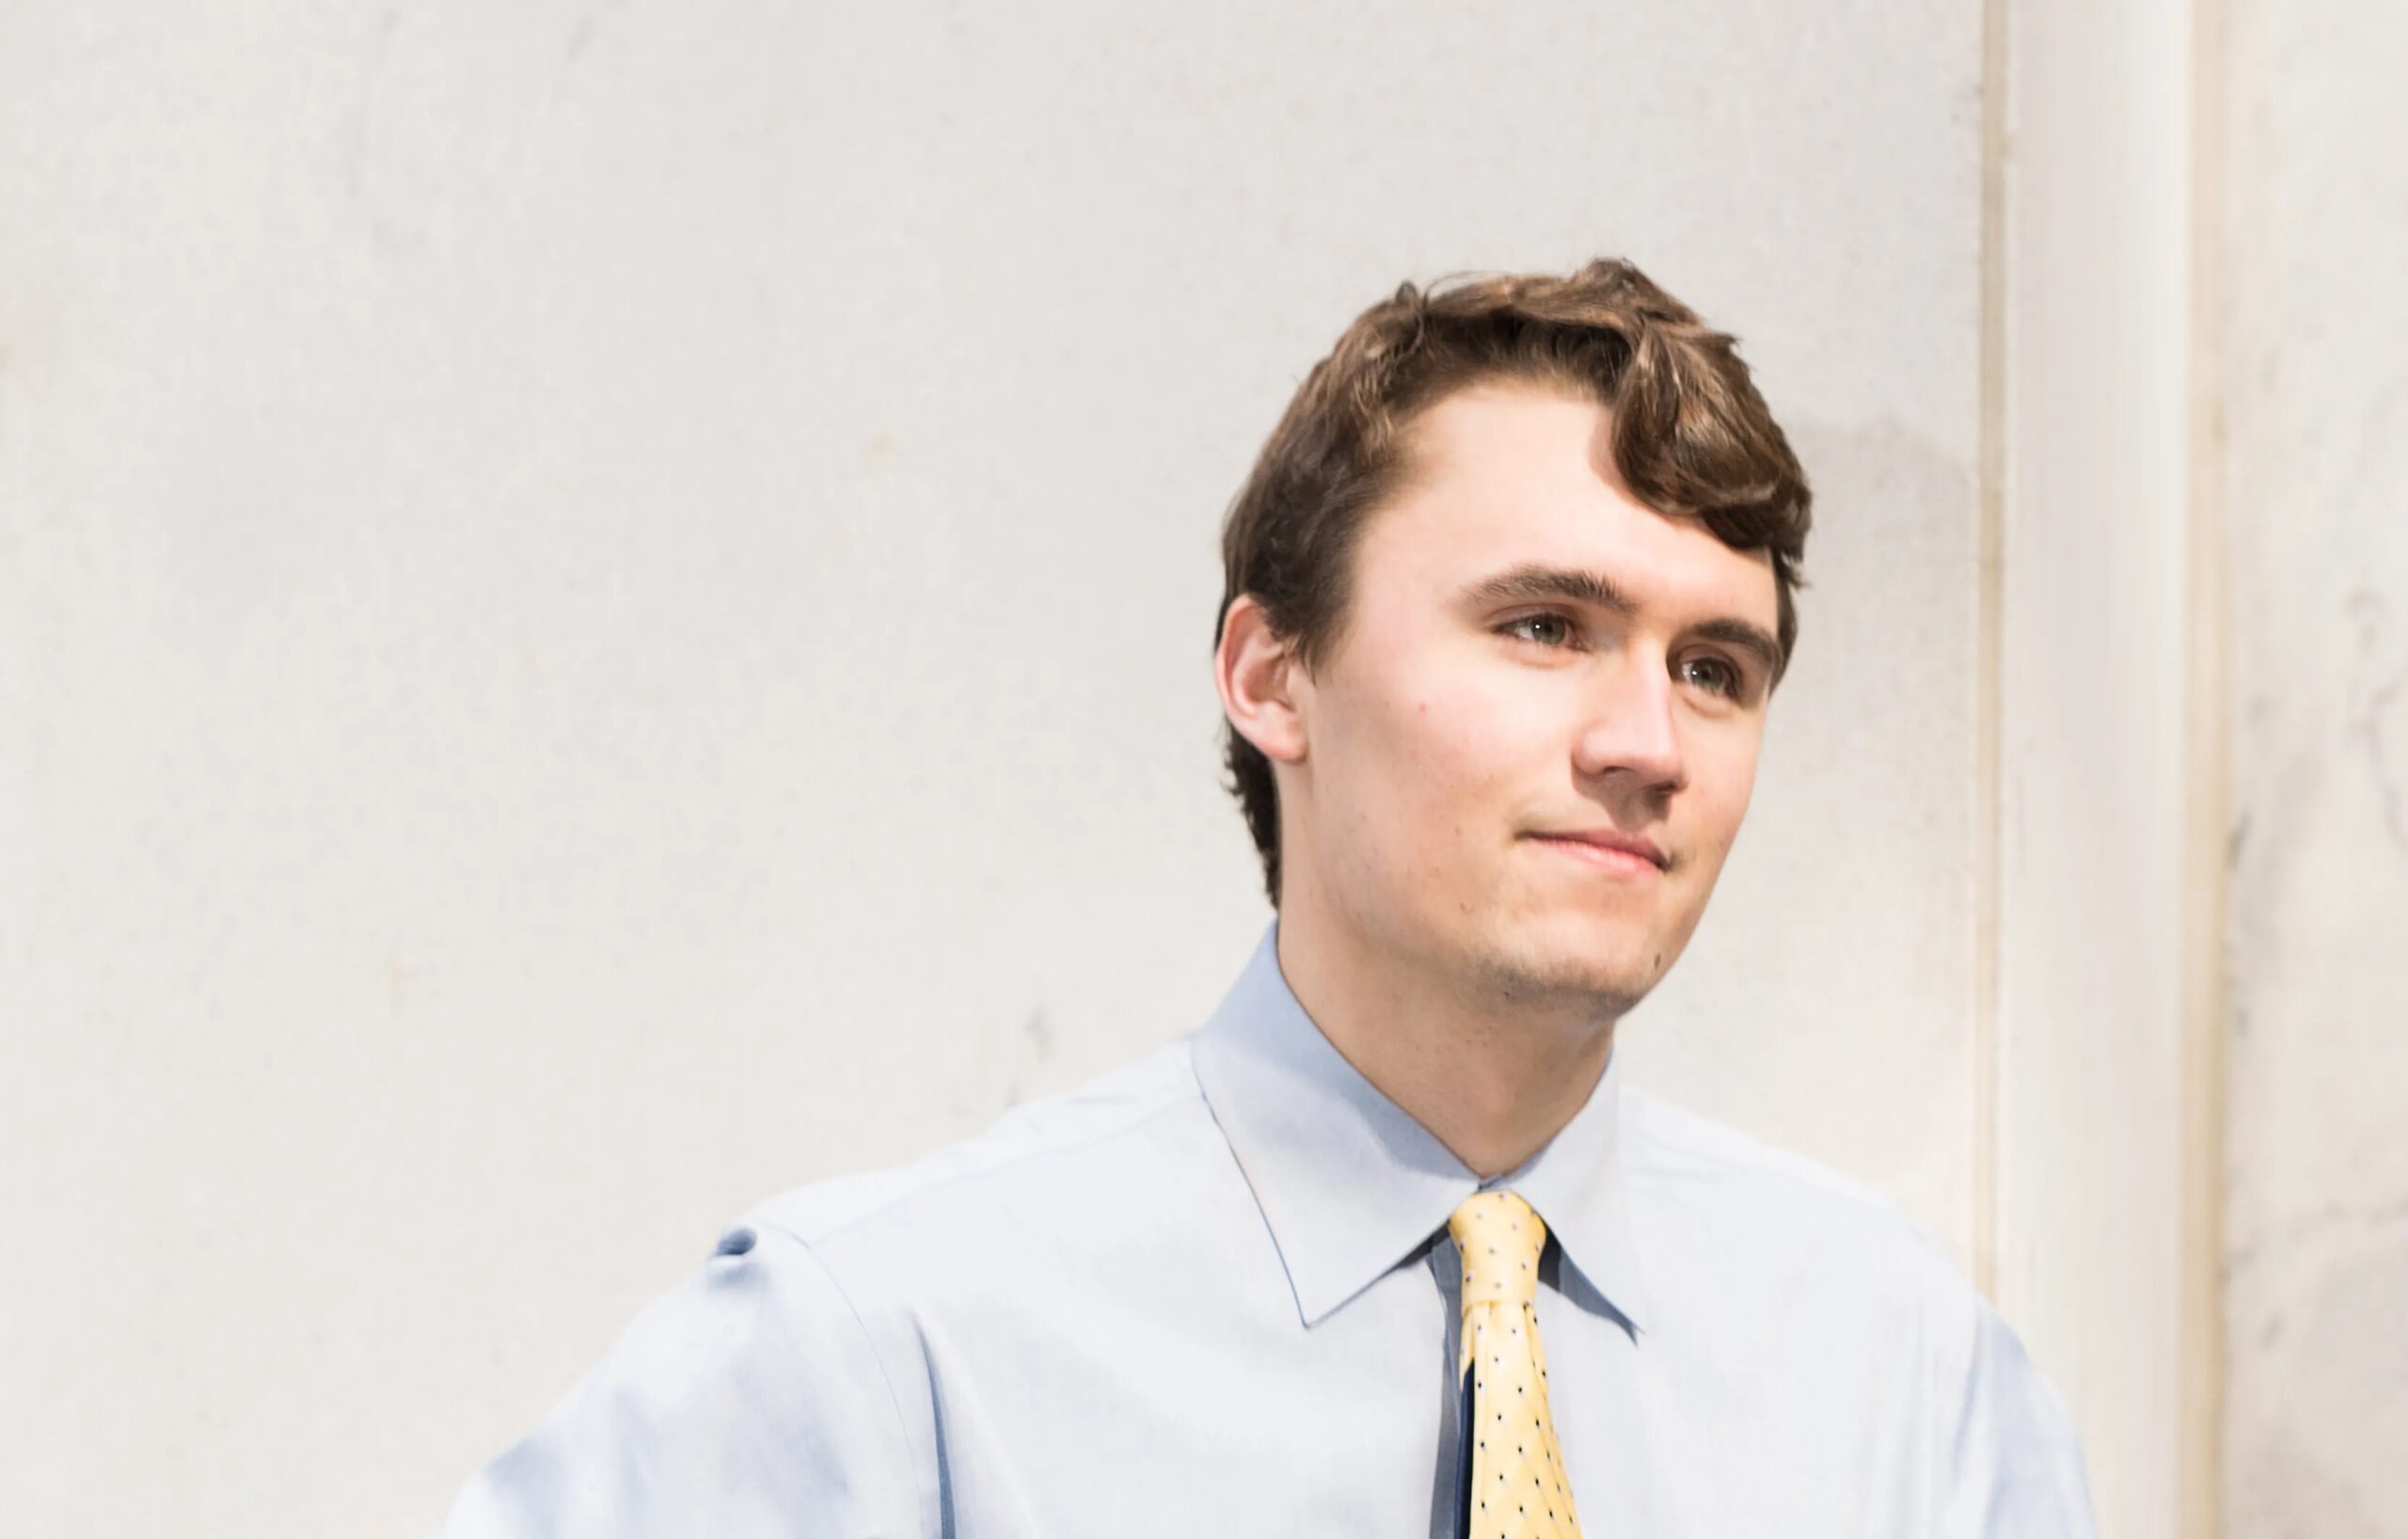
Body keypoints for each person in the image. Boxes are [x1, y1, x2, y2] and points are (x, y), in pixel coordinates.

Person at [437, 260, 2098, 1538]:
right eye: (1543, 627)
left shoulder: (1912, 1381)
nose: (1648, 744)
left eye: (1717, 669)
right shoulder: (880, 1351)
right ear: (1272, 673)